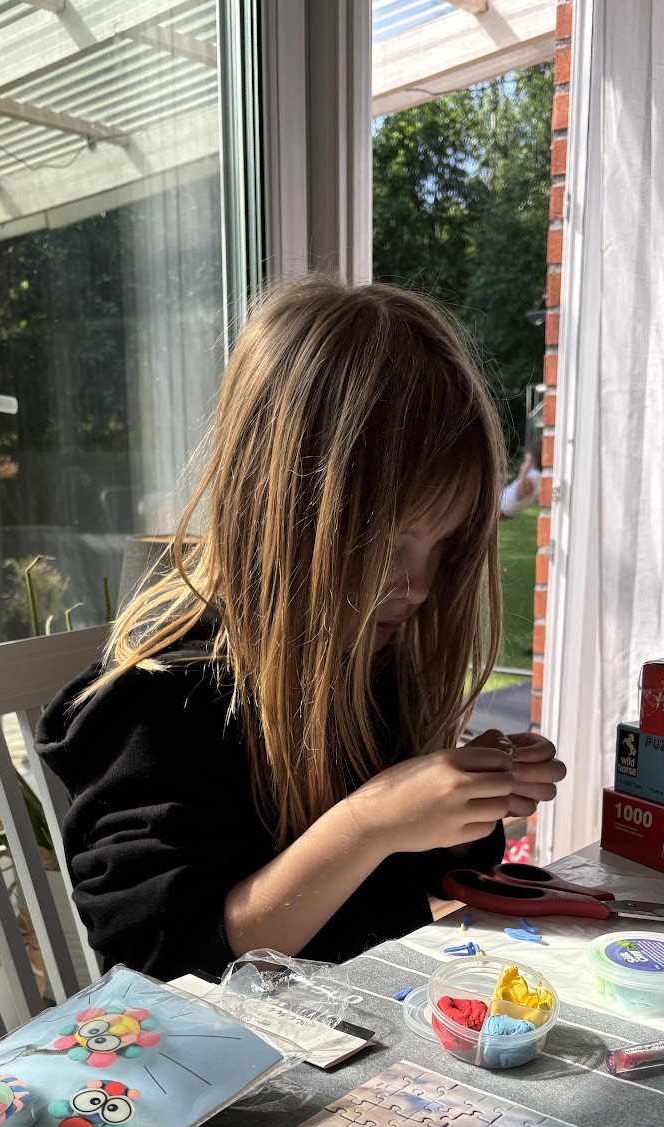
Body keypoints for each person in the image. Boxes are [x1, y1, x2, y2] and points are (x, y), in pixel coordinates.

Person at [36, 275, 567, 980]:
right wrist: (372, 821)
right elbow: (170, 964)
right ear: (279, 508)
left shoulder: (367, 664)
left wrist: (462, 805)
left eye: (442, 546)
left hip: (372, 1019)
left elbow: (415, 877)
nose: (418, 586)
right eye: (386, 545)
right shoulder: (156, 707)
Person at [500, 441, 542, 517]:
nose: (523, 464)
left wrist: (523, 472)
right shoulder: (537, 477)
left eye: (526, 461)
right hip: (502, 505)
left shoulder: (534, 476)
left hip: (501, 507)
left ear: (533, 461)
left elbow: (520, 495)